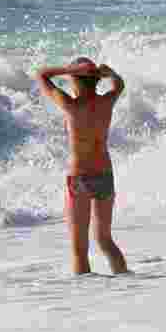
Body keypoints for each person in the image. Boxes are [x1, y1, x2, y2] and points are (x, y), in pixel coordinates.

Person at [35, 57, 128, 275]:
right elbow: (120, 85)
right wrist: (110, 73)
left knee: (79, 249)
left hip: (80, 178)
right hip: (105, 175)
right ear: (96, 81)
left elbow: (41, 75)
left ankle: (86, 299)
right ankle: (127, 282)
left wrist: (67, 68)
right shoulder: (107, 102)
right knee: (105, 240)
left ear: (74, 80)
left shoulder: (71, 106)